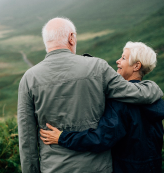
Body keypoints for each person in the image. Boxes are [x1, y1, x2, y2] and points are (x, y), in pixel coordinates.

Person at [17, 17, 163, 173]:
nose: (118, 61)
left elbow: (27, 139)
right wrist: (154, 88)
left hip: (53, 168)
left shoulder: (29, 78)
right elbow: (134, 93)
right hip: (99, 167)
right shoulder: (98, 67)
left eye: (123, 58)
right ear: (71, 38)